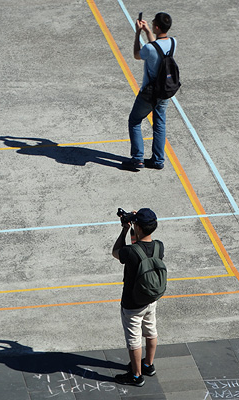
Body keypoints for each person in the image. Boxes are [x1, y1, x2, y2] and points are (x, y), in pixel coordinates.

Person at [112, 208, 164, 387]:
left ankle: (136, 376)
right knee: (151, 331)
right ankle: (148, 365)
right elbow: (140, 247)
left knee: (134, 339)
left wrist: (125, 229)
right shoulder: (159, 246)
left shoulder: (130, 252)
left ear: (139, 228)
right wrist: (136, 225)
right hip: (151, 299)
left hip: (133, 304)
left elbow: (116, 251)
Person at [121, 13, 176, 170]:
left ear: (157, 27)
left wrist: (138, 33)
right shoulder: (173, 42)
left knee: (134, 120)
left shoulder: (149, 49)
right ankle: (158, 160)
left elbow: (137, 55)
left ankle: (137, 159)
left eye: (152, 24)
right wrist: (147, 32)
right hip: (165, 90)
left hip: (149, 92)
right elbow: (157, 48)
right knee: (159, 123)